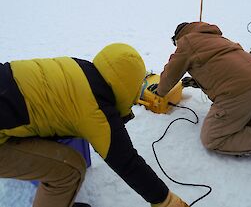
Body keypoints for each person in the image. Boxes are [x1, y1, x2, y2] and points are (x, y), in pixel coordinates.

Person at [0, 43, 189, 207]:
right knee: (70, 169)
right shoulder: (96, 107)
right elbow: (127, 162)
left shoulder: (80, 68)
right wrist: (165, 200)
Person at [148, 21, 251, 155]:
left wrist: (160, 91)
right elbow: (220, 66)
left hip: (241, 91)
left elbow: (170, 74)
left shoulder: (185, 42)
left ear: (177, 38)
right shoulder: (213, 37)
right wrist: (197, 81)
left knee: (213, 137)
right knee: (243, 116)